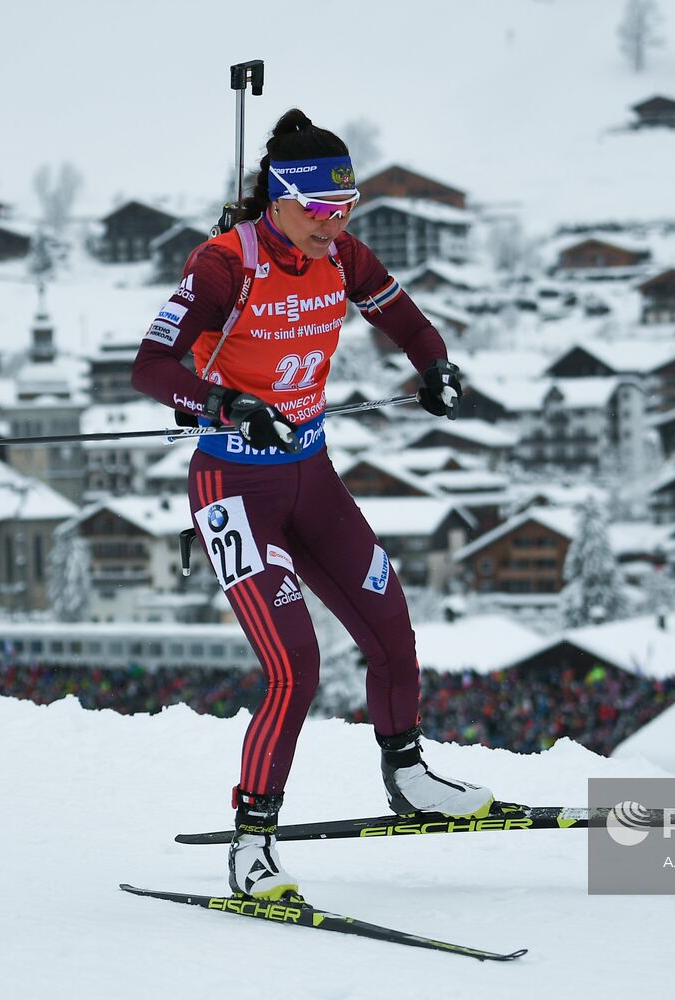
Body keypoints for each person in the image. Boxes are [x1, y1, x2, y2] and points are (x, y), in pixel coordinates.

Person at [131, 108, 492, 902]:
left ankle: (409, 777)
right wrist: (224, 403)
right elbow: (150, 367)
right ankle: (252, 843)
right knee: (296, 666)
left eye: (348, 208)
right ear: (281, 201)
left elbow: (404, 318)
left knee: (392, 630)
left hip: (310, 475)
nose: (337, 225)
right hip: (233, 489)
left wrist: (434, 367)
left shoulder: (342, 257)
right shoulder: (225, 264)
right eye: (324, 211)